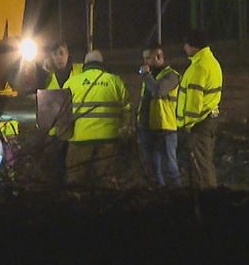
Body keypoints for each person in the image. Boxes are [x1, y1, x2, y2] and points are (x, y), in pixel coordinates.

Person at [62, 49, 130, 188]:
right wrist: (122, 129)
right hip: (109, 140)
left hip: (79, 140)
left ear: (85, 64)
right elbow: (127, 109)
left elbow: (62, 113)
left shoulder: (71, 82)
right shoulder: (115, 81)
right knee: (106, 181)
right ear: (102, 64)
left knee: (76, 182)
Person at [177, 29, 223, 189]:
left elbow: (193, 103)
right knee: (204, 163)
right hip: (208, 120)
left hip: (198, 125)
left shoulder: (198, 68)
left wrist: (186, 125)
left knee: (201, 168)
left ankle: (207, 198)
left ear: (194, 46)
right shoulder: (212, 63)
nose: (184, 48)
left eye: (186, 44)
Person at [38, 41, 82, 186]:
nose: (59, 57)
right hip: (54, 132)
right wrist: (43, 72)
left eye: (62, 53)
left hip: (75, 128)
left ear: (68, 54)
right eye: (55, 54)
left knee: (74, 169)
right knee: (56, 169)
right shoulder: (46, 75)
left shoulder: (79, 70)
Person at [137, 43, 181, 188]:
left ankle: (178, 194)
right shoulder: (149, 76)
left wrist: (145, 75)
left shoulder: (171, 75)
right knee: (152, 169)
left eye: (148, 58)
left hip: (165, 128)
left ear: (159, 57)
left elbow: (158, 90)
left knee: (169, 168)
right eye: (144, 58)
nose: (145, 62)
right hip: (147, 128)